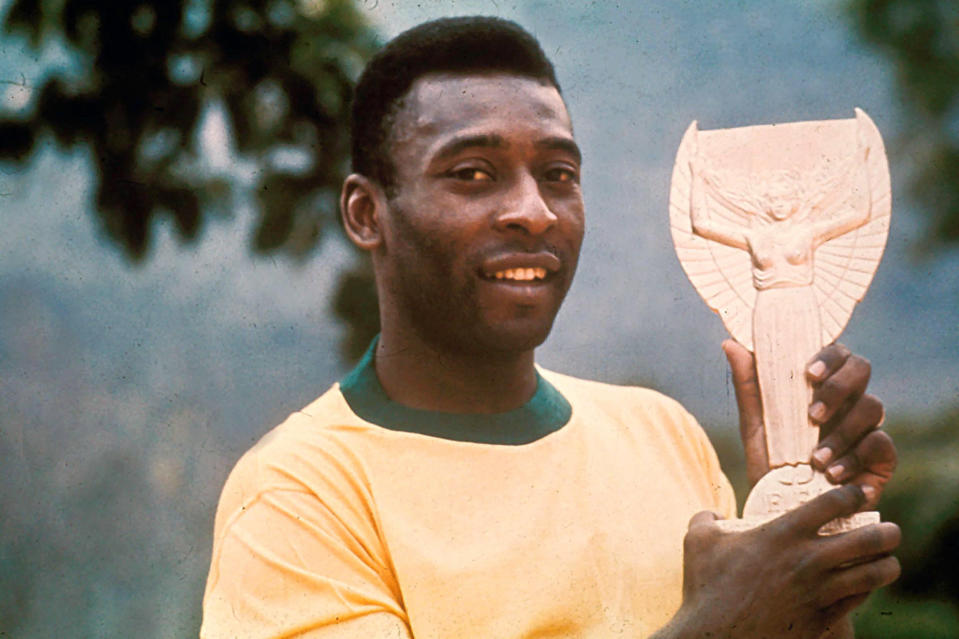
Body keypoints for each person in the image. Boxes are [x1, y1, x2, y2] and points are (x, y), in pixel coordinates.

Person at [200, 17, 899, 639]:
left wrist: (805, 532)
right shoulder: (299, 495)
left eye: (558, 173)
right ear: (366, 213)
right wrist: (718, 623)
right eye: (473, 173)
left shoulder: (663, 435)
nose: (534, 211)